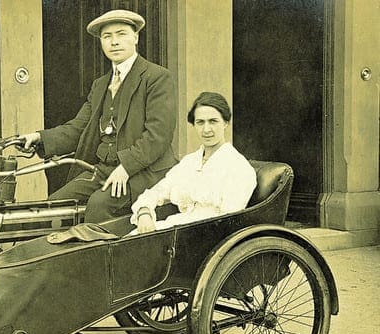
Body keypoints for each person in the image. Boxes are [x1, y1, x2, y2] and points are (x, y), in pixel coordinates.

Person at [20, 9, 177, 223]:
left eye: (121, 34)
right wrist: (40, 137)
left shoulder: (157, 78)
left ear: (136, 37)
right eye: (107, 36)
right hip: (104, 170)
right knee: (54, 207)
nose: (114, 42)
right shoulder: (101, 84)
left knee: (99, 206)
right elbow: (78, 128)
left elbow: (158, 136)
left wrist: (126, 167)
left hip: (145, 173)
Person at [131, 92, 257, 234]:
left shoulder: (238, 167)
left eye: (213, 121)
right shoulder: (189, 162)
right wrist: (144, 212)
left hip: (204, 236)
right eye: (200, 122)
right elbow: (157, 191)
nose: (206, 129)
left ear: (226, 123)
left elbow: (228, 221)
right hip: (177, 228)